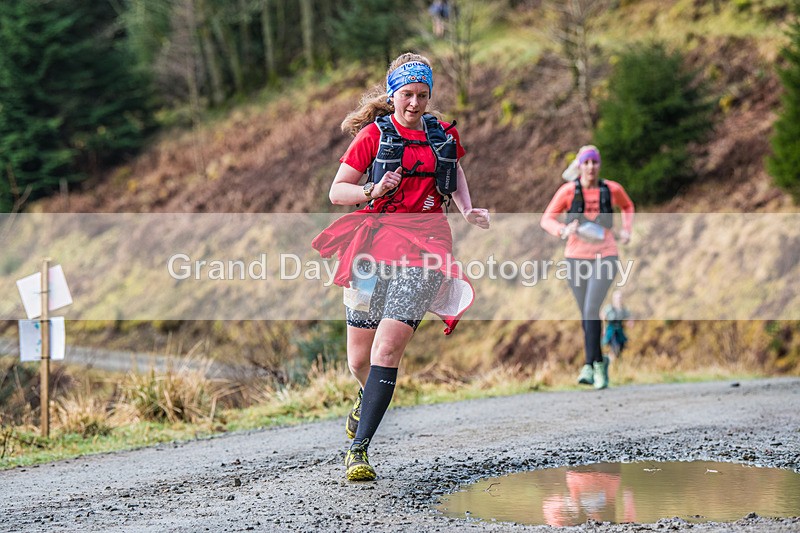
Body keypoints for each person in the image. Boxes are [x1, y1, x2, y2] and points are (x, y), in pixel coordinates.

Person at [312, 52, 490, 481]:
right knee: (359, 359)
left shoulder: (442, 134)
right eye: (407, 95)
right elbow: (339, 191)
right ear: (393, 95)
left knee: (386, 350)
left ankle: (359, 452)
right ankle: (365, 399)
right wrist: (373, 188)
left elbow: (457, 172)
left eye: (422, 95)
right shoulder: (374, 136)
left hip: (426, 248)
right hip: (372, 248)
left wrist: (466, 210)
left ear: (430, 95)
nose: (415, 103)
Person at [541, 145, 634, 389]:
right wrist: (563, 230)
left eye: (595, 162)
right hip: (575, 258)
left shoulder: (611, 189)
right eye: (586, 163)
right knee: (586, 314)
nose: (591, 167)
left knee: (592, 308)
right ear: (579, 166)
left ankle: (590, 366)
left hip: (606, 256)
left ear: (599, 165)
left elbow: (628, 206)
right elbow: (546, 219)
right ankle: (598, 363)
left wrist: (626, 230)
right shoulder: (568, 191)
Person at [600, 289, 633, 361]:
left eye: (620, 298)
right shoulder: (610, 308)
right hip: (611, 330)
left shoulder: (623, 309)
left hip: (619, 330)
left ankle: (615, 362)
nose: (619, 300)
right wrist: (604, 327)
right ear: (614, 299)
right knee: (615, 347)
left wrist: (630, 322)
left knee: (621, 346)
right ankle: (609, 360)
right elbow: (602, 315)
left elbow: (629, 316)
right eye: (617, 298)